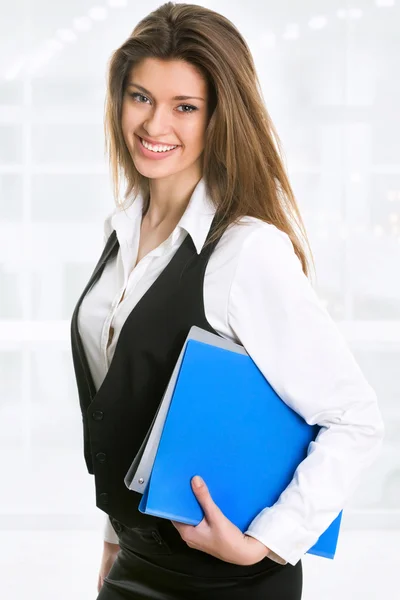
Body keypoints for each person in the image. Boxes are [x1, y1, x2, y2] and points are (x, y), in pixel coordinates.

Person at [70, 2, 385, 599]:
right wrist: (112, 548)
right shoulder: (121, 236)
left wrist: (266, 540)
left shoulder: (246, 251)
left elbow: (355, 419)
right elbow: (129, 413)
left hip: (227, 581)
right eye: (141, 97)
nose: (154, 124)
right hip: (131, 567)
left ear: (219, 118)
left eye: (184, 107)